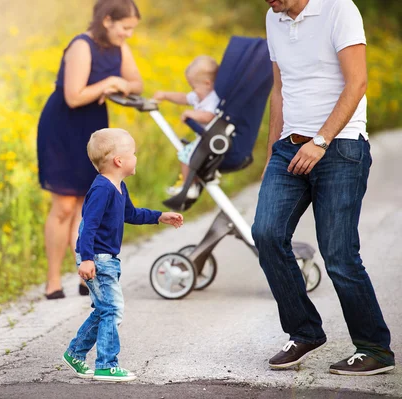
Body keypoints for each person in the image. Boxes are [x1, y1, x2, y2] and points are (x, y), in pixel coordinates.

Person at [252, 0, 395, 375]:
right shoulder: (274, 16)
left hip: (341, 146)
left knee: (339, 254)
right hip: (289, 147)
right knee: (265, 233)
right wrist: (272, 152)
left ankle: (374, 348)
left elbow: (358, 81)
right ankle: (305, 331)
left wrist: (321, 140)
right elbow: (279, 90)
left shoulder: (339, 9)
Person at [37, 0, 144, 300]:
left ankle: (84, 276)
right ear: (108, 20)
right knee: (64, 207)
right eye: (126, 28)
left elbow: (137, 83)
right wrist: (110, 82)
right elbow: (73, 96)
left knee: (88, 203)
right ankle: (53, 282)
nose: (129, 35)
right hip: (62, 128)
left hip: (94, 131)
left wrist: (119, 83)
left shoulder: (119, 47)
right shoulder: (82, 46)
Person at [62, 128, 183, 382]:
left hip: (106, 259)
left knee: (103, 309)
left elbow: (131, 214)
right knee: (113, 308)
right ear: (119, 160)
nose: (136, 157)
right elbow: (89, 226)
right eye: (134, 153)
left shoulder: (119, 186)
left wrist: (159, 216)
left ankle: (75, 352)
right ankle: (107, 364)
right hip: (97, 258)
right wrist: (86, 259)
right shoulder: (102, 190)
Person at [153, 55, 220, 199]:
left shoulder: (213, 99)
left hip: (211, 138)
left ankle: (188, 186)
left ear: (208, 83)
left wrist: (192, 114)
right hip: (205, 138)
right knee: (188, 155)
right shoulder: (199, 95)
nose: (192, 91)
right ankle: (192, 183)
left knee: (185, 156)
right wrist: (165, 95)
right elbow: (183, 98)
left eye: (193, 87)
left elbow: (209, 117)